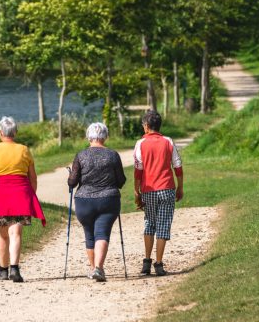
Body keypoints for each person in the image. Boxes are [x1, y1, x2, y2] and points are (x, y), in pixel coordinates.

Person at [0, 116, 45, 283]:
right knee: (16, 233)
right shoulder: (24, 150)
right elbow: (33, 177)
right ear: (15, 132)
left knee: (2, 235)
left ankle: (3, 270)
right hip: (20, 193)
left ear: (0, 132)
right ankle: (14, 269)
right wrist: (31, 194)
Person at [67, 122, 126, 282]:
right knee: (102, 233)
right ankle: (98, 269)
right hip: (108, 200)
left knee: (89, 234)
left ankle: (94, 268)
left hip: (84, 201)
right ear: (105, 136)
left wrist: (71, 175)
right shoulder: (113, 155)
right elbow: (121, 181)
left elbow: (72, 182)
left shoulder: (81, 155)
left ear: (89, 137)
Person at [133, 109, 183, 277]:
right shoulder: (168, 141)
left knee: (149, 223)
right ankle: (159, 263)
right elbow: (177, 165)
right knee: (163, 226)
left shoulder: (140, 143)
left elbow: (138, 170)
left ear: (147, 126)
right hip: (167, 189)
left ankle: (146, 262)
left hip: (149, 190)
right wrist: (180, 186)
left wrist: (136, 191)